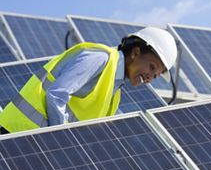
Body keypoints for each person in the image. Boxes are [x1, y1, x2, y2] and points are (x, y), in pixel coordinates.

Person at [0, 27, 177, 134]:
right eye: (152, 67)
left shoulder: (115, 94)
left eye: (155, 76)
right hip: (15, 132)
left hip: (33, 142)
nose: (149, 78)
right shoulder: (100, 58)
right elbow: (56, 94)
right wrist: (60, 140)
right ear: (136, 52)